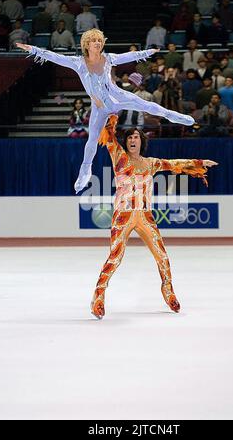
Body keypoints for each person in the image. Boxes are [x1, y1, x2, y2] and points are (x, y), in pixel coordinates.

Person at [16, 29, 195, 194]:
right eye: (94, 40)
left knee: (147, 104)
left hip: (118, 97)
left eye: (100, 40)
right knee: (92, 139)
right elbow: (54, 56)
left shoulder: (108, 58)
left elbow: (128, 56)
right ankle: (85, 170)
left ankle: (173, 115)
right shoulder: (78, 63)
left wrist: (146, 53)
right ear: (86, 44)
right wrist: (33, 49)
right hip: (100, 107)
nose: (98, 43)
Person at [91, 115, 218, 319]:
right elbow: (108, 137)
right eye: (130, 137)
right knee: (115, 257)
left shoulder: (151, 164)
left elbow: (173, 164)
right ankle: (98, 296)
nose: (133, 140)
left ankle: (168, 292)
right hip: (122, 216)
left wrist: (200, 162)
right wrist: (108, 115)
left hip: (145, 216)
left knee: (162, 256)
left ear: (142, 141)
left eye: (136, 137)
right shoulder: (119, 157)